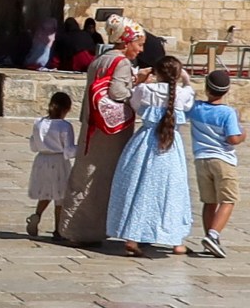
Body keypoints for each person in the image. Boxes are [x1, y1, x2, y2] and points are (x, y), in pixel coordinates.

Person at [57, 18, 146, 245]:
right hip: (109, 131)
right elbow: (117, 92)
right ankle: (88, 230)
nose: (140, 49)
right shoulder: (122, 62)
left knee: (84, 175)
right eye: (138, 44)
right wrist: (137, 92)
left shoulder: (101, 58)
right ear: (126, 42)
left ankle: (71, 227)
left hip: (93, 124)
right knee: (100, 177)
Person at [107, 56, 195, 255]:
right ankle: (176, 241)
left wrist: (141, 78)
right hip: (170, 147)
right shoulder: (182, 94)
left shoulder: (146, 90)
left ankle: (132, 236)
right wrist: (186, 79)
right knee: (172, 191)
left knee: (138, 187)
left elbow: (134, 103)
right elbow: (189, 99)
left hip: (145, 143)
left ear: (157, 73)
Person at [189, 68, 241, 258]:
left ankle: (209, 239)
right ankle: (213, 235)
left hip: (201, 159)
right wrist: (243, 135)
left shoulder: (196, 108)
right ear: (227, 90)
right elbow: (233, 138)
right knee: (228, 199)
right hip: (223, 160)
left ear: (206, 88)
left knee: (209, 201)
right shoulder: (228, 112)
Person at [26, 90, 77, 239]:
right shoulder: (65, 126)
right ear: (67, 109)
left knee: (46, 191)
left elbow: (33, 145)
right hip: (58, 161)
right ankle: (58, 229)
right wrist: (82, 148)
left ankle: (37, 215)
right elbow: (69, 150)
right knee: (60, 196)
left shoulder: (38, 123)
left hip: (42, 160)